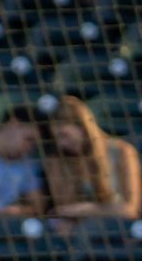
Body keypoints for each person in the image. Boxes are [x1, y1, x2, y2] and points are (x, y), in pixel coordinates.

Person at [44, 96, 142, 226]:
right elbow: (64, 210)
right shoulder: (60, 159)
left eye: (64, 135)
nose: (61, 144)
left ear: (82, 127)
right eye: (56, 138)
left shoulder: (123, 151)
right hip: (83, 233)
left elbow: (130, 209)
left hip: (121, 231)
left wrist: (85, 209)